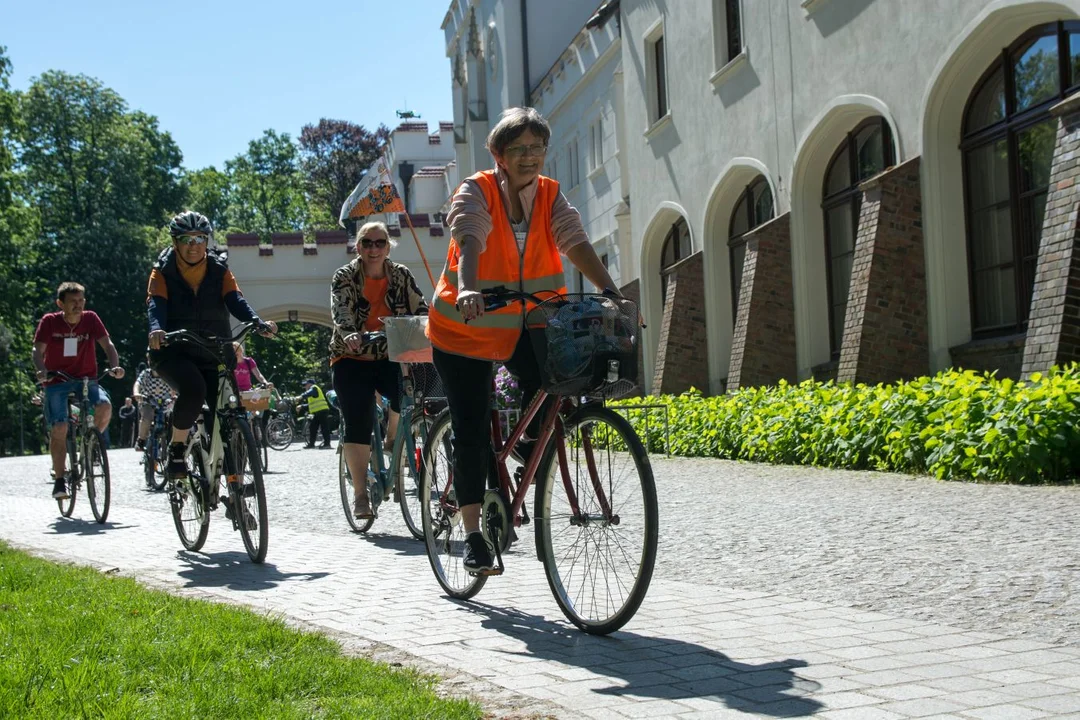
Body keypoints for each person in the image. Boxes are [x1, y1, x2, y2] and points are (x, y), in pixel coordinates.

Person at [427, 107, 621, 573]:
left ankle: (524, 457)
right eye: (519, 149)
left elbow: (574, 241)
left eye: (537, 148)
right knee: (472, 428)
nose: (530, 157)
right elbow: (469, 234)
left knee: (556, 389)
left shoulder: (551, 196)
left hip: (526, 323)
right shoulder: (476, 190)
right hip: (464, 328)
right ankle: (474, 536)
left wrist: (611, 291)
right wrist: (469, 286)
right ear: (498, 154)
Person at [146, 210, 277, 499]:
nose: (193, 245)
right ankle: (177, 450)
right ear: (175, 242)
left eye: (199, 238)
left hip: (215, 349)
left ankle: (236, 483)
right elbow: (156, 305)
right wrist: (156, 330)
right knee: (194, 390)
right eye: (186, 239)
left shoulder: (219, 269)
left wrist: (256, 321)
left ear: (207, 240)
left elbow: (235, 300)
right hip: (173, 350)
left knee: (232, 413)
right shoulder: (163, 271)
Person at [329, 220, 427, 518]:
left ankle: (392, 437)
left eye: (380, 243)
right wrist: (349, 332)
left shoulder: (400, 274)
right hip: (352, 355)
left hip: (391, 353)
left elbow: (419, 305)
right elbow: (341, 308)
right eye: (367, 243)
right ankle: (361, 495)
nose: (374, 248)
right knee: (359, 419)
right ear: (358, 247)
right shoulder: (345, 276)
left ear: (388, 246)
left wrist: (430, 325)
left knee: (411, 395)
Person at [32, 281, 125, 500]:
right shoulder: (50, 322)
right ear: (60, 303)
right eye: (73, 301)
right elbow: (38, 350)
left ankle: (91, 443)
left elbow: (108, 344)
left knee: (104, 405)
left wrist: (114, 366)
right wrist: (42, 370)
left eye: (81, 300)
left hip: (86, 379)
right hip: (57, 381)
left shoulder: (91, 319)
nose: (78, 305)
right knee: (60, 427)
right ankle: (60, 480)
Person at [132, 362, 174, 452]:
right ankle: (141, 440)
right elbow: (137, 383)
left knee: (172, 416)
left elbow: (174, 386)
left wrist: (175, 394)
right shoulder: (146, 373)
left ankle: (174, 441)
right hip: (148, 401)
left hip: (165, 402)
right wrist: (136, 393)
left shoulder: (168, 373)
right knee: (147, 416)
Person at [296, 378, 332, 449]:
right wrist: (302, 406)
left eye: (305, 384)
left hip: (322, 411)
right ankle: (311, 444)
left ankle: (327, 444)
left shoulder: (314, 388)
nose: (305, 386)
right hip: (317, 412)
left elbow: (309, 393)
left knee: (324, 428)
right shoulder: (311, 392)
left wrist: (301, 396)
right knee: (312, 428)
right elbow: (311, 405)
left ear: (310, 384)